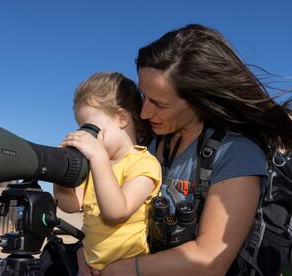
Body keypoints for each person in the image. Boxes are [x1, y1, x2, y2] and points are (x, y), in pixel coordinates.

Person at [99, 24, 292, 275]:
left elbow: (210, 259)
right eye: (144, 96)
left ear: (198, 100)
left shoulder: (237, 152)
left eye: (159, 103)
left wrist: (122, 270)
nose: (145, 112)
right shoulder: (149, 141)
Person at [53, 72, 162, 275]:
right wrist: (61, 172)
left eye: (90, 129)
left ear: (121, 118)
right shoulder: (95, 165)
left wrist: (98, 158)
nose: (86, 137)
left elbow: (116, 212)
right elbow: (70, 205)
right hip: (90, 268)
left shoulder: (144, 164)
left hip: (127, 269)